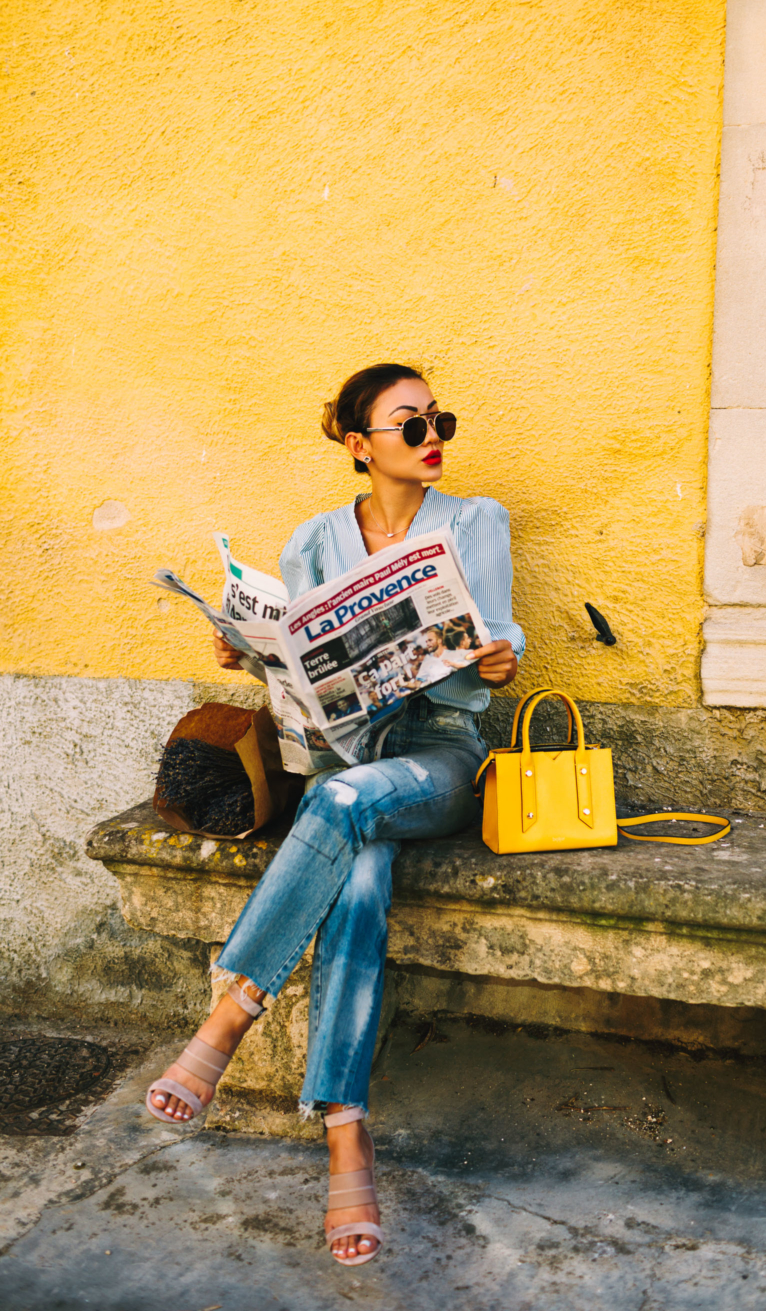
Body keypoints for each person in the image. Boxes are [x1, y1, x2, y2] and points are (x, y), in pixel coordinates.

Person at [145, 363, 524, 1267]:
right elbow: (303, 676)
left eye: (439, 418)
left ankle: (233, 1011)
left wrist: (496, 658)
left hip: (436, 757)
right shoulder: (315, 541)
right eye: (409, 422)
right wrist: (254, 658)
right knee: (357, 862)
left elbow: (491, 644)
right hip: (344, 757)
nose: (432, 433)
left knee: (349, 805)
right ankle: (346, 1129)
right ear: (359, 446)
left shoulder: (475, 522)